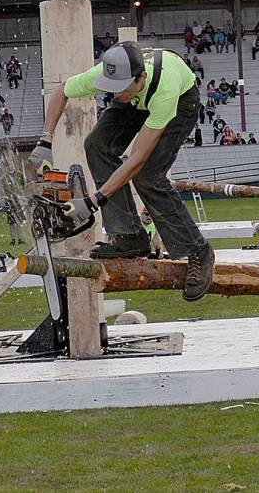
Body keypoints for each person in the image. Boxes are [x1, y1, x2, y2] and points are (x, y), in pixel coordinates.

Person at [27, 41, 214, 302]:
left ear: (140, 77)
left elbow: (137, 159)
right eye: (111, 88)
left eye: (120, 89)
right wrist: (45, 141)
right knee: (96, 145)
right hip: (141, 95)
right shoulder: (117, 81)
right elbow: (62, 90)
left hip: (180, 101)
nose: (115, 95)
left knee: (148, 175)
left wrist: (94, 200)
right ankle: (130, 236)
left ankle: (199, 250)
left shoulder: (165, 89)